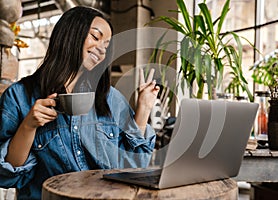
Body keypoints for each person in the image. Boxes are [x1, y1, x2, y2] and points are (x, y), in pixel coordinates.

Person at [0, 6, 159, 200]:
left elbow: (132, 166)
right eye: (95, 37)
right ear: (71, 34)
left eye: (107, 45)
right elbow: (7, 176)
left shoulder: (110, 98)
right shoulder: (19, 97)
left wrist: (144, 107)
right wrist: (29, 125)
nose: (102, 49)